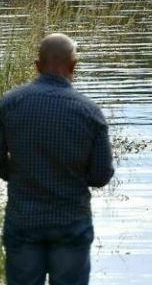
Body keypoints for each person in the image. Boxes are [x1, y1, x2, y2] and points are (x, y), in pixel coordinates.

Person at [0, 33, 114, 285]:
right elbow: (101, 176)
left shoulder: (9, 104)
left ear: (37, 66)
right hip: (71, 221)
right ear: (74, 66)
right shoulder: (90, 112)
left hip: (24, 219)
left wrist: (16, 174)